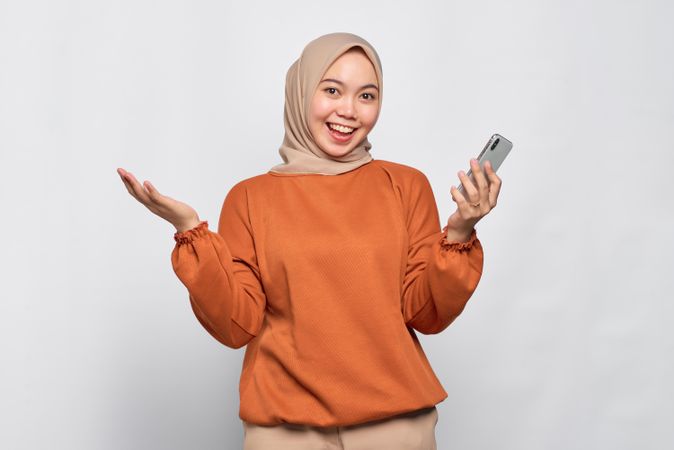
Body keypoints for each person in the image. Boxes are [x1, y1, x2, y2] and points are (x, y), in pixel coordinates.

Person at [118, 32, 501, 450]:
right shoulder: (250, 197)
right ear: (301, 92)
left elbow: (426, 313)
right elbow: (237, 322)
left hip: (395, 426)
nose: (349, 111)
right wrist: (191, 232)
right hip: (284, 432)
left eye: (367, 96)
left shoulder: (405, 186)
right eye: (332, 90)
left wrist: (460, 232)